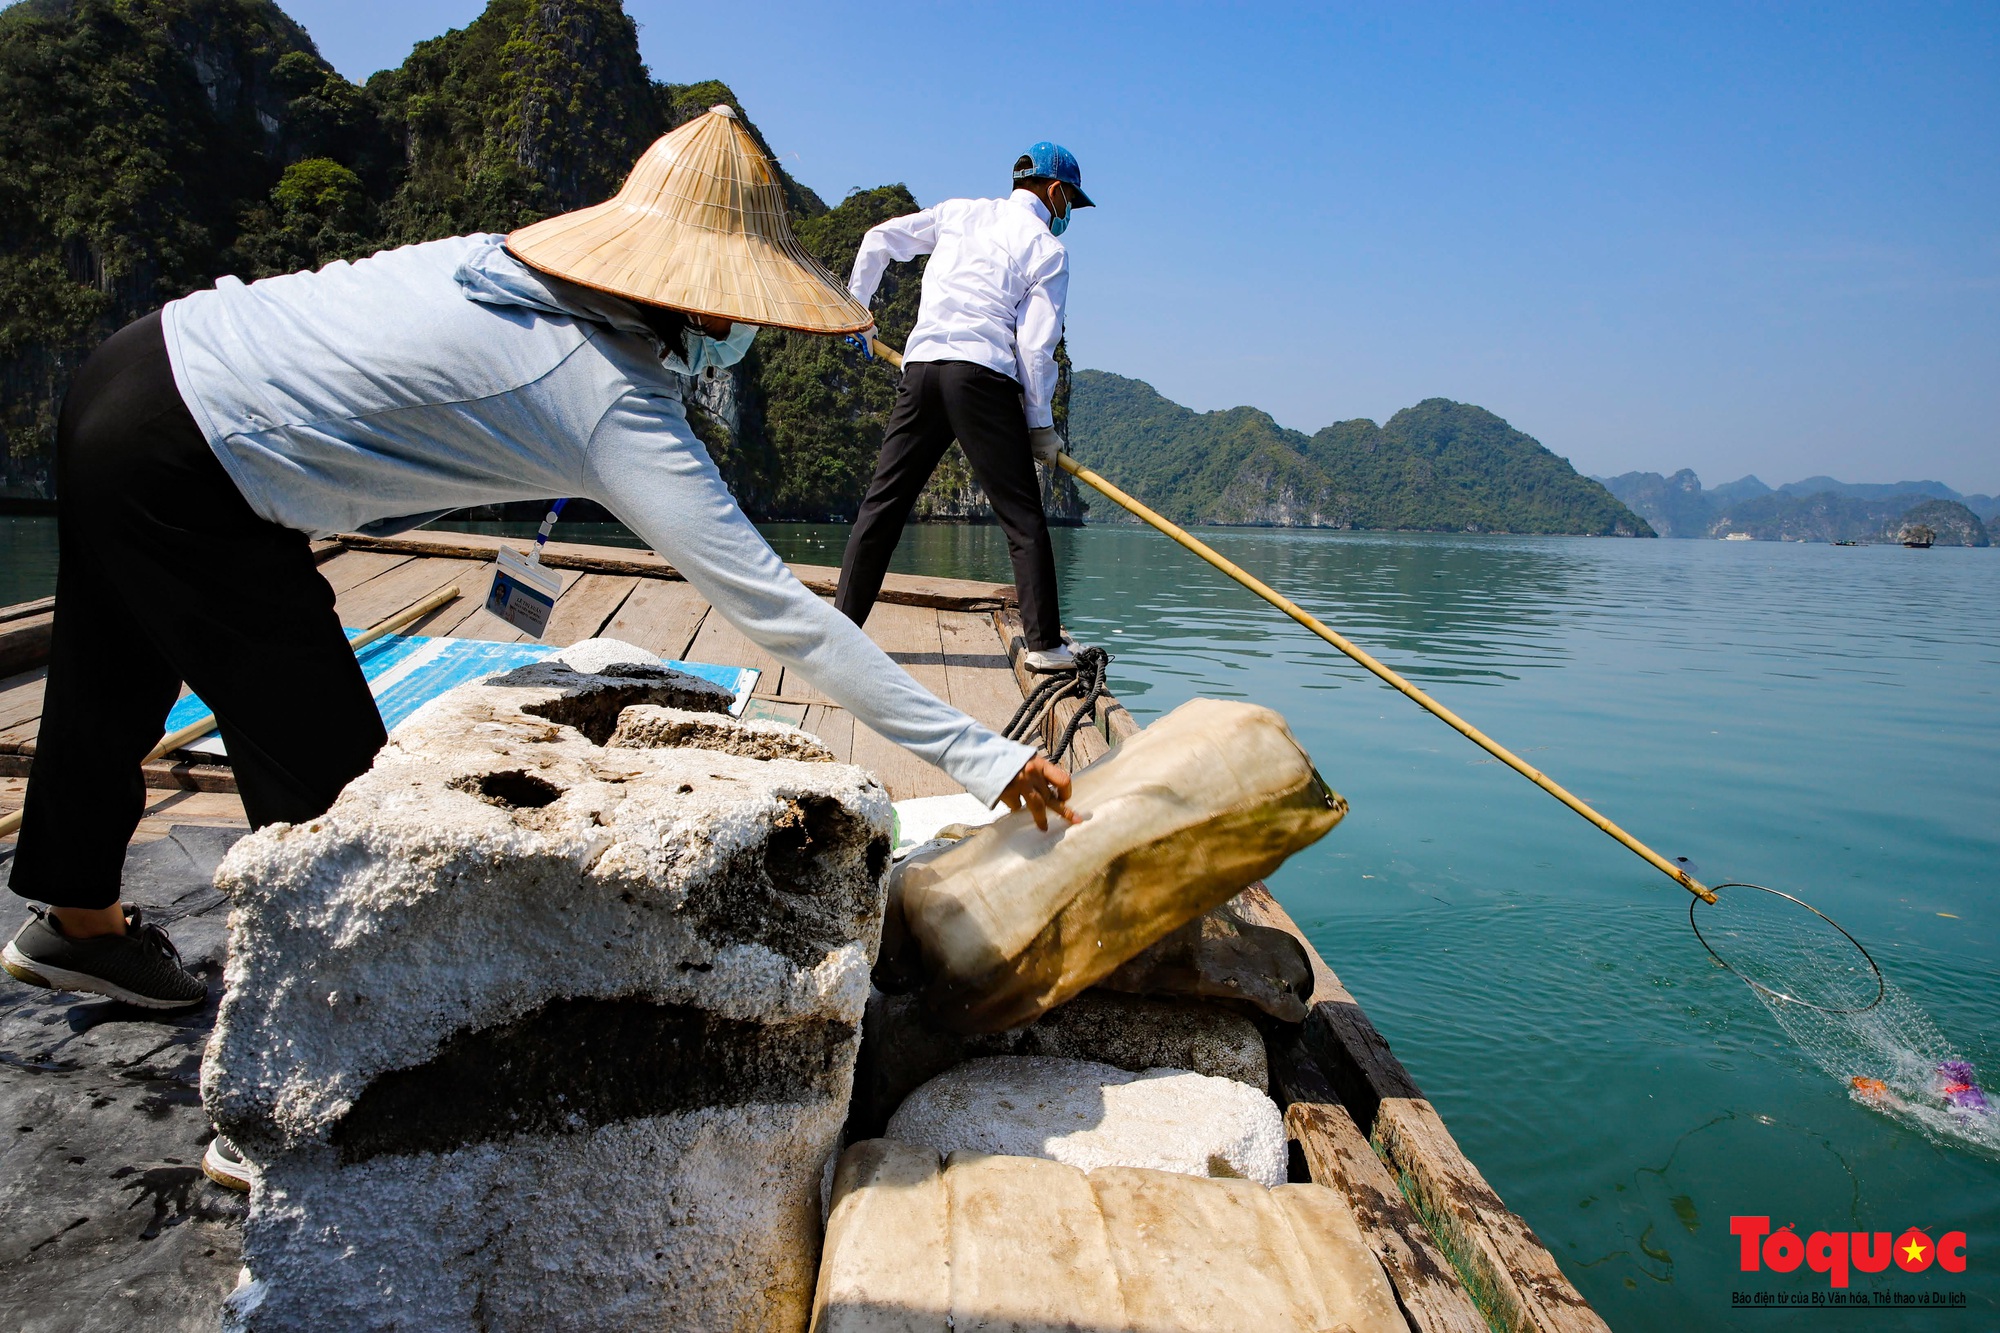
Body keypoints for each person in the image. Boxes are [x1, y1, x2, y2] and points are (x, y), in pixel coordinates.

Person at [2, 106, 1076, 1017]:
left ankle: (77, 925)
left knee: (112, 675)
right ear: (711, 300)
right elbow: (787, 619)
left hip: (136, 370)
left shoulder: (507, 260)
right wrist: (983, 756)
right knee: (333, 787)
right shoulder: (611, 399)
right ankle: (301, 1088)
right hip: (194, 458)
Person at [835, 141, 1093, 673]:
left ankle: (838, 632)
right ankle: (1044, 645)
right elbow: (1034, 348)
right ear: (1056, 191)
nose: (1069, 211)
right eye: (1071, 200)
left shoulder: (960, 212)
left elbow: (877, 239)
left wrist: (857, 310)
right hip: (982, 376)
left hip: (923, 368)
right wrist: (1040, 427)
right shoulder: (1048, 249)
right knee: (1021, 517)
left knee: (882, 506)